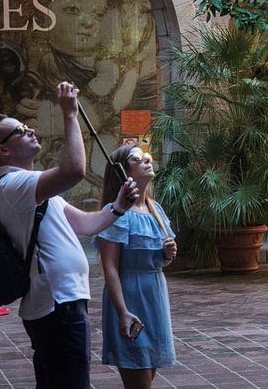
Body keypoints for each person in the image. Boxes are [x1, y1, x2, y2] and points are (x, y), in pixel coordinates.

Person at [0, 81, 139, 389]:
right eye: (21, 130)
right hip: (57, 304)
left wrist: (119, 206)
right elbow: (74, 170)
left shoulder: (33, 187)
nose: (31, 130)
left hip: (61, 301)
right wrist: (70, 114)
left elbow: (85, 225)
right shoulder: (15, 185)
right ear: (3, 149)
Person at [96, 145, 177, 389]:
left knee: (147, 374)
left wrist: (168, 255)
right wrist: (122, 312)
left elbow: (161, 260)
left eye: (148, 157)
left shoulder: (155, 209)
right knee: (138, 379)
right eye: (137, 158)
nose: (147, 161)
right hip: (130, 296)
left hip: (155, 294)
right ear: (122, 172)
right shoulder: (117, 213)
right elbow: (109, 267)